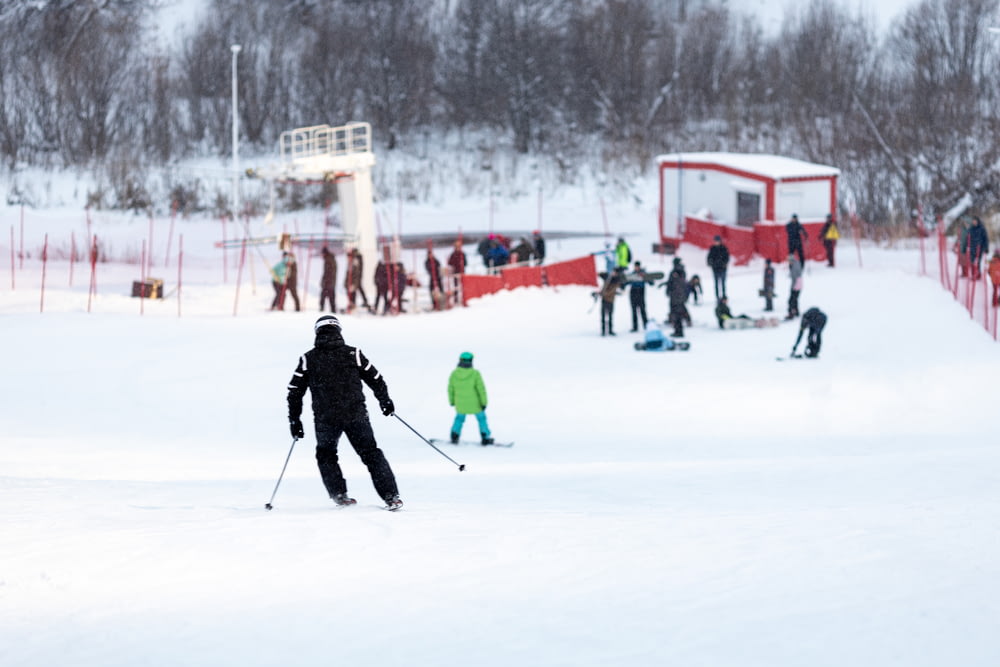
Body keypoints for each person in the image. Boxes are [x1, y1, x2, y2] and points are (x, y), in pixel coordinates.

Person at [286, 315, 403, 510]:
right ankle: (391, 497)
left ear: (317, 332)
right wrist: (385, 401)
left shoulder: (308, 359)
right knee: (371, 454)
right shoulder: (353, 354)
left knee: (326, 454)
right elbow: (376, 378)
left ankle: (339, 494)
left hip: (325, 419)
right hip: (355, 414)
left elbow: (294, 392)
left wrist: (294, 420)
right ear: (339, 331)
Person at [447, 351, 493, 445]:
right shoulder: (475, 373)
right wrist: (484, 402)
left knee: (459, 419)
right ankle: (485, 437)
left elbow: (450, 389)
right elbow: (481, 389)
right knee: (481, 419)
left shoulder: (454, 374)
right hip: (475, 404)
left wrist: (451, 401)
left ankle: (454, 435)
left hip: (460, 403)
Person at [663, 257, 688, 337]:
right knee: (678, 314)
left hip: (675, 296)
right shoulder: (682, 272)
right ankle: (678, 330)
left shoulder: (676, 272)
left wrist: (668, 291)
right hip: (679, 296)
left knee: (676, 314)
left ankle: (678, 331)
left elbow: (672, 283)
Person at [598, 266, 624, 336]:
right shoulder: (608, 278)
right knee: (603, 316)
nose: (614, 273)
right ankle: (603, 331)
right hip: (604, 300)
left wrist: (603, 294)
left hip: (610, 300)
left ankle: (610, 330)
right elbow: (600, 275)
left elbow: (611, 291)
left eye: (615, 272)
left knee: (610, 316)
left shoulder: (616, 281)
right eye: (613, 272)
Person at [627, 260, 650, 332]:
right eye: (635, 266)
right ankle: (635, 327)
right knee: (634, 310)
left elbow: (650, 282)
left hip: (640, 292)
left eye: (637, 266)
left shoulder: (643, 273)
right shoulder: (632, 274)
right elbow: (627, 282)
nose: (636, 268)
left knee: (642, 309)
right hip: (633, 292)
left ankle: (646, 325)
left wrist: (647, 278)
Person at [345, 248, 370, 313]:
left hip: (356, 279)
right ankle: (356, 302)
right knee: (357, 290)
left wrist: (353, 283)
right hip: (356, 279)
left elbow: (355, 273)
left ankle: (353, 303)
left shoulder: (355, 261)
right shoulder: (356, 259)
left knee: (354, 290)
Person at [706, 235, 730, 300]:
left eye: (717, 241)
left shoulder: (723, 248)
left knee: (723, 283)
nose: (716, 242)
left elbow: (727, 257)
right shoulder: (712, 248)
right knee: (716, 283)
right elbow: (709, 257)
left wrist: (725, 263)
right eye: (715, 241)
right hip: (715, 268)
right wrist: (710, 263)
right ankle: (717, 297)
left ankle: (724, 296)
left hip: (722, 268)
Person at [318, 246, 337, 313]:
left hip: (329, 282)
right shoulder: (330, 259)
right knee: (329, 297)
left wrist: (324, 281)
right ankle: (331, 310)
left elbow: (327, 273)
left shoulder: (328, 260)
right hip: (330, 282)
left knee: (327, 297)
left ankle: (324, 309)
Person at [786, 254, 802, 320]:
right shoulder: (795, 264)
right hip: (798, 285)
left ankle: (791, 314)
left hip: (796, 285)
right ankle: (796, 312)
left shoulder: (795, 266)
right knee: (795, 300)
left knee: (791, 301)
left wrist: (793, 287)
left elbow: (795, 276)